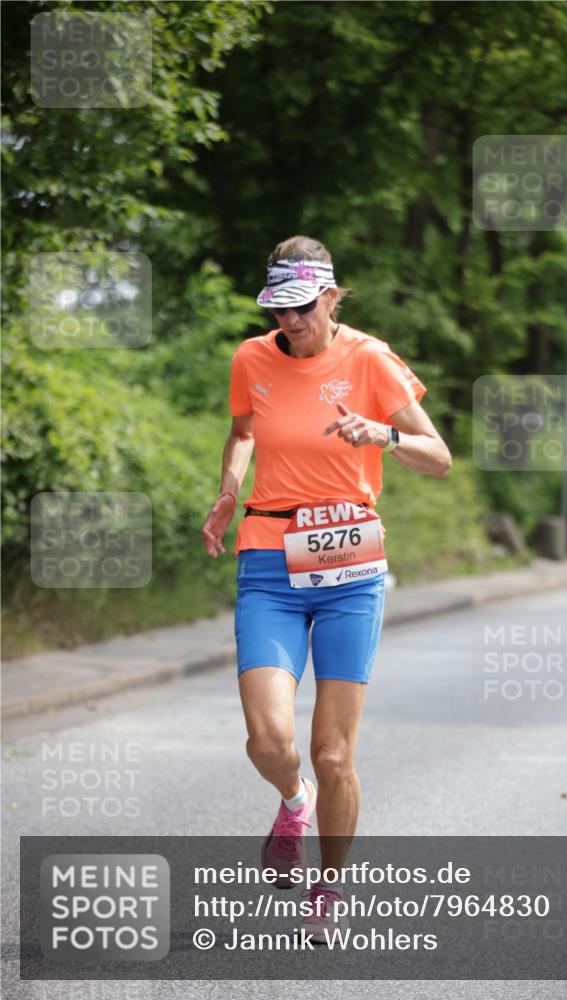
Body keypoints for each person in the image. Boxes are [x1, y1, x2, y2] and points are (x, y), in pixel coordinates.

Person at [202, 235, 451, 942]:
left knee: (334, 752)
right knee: (266, 737)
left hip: (349, 569)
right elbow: (243, 430)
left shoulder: (369, 358)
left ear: (331, 298)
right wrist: (228, 484)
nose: (291, 322)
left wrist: (382, 434)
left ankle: (328, 887)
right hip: (269, 561)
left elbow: (438, 458)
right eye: (279, 311)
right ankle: (291, 801)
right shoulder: (250, 357)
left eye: (303, 308)